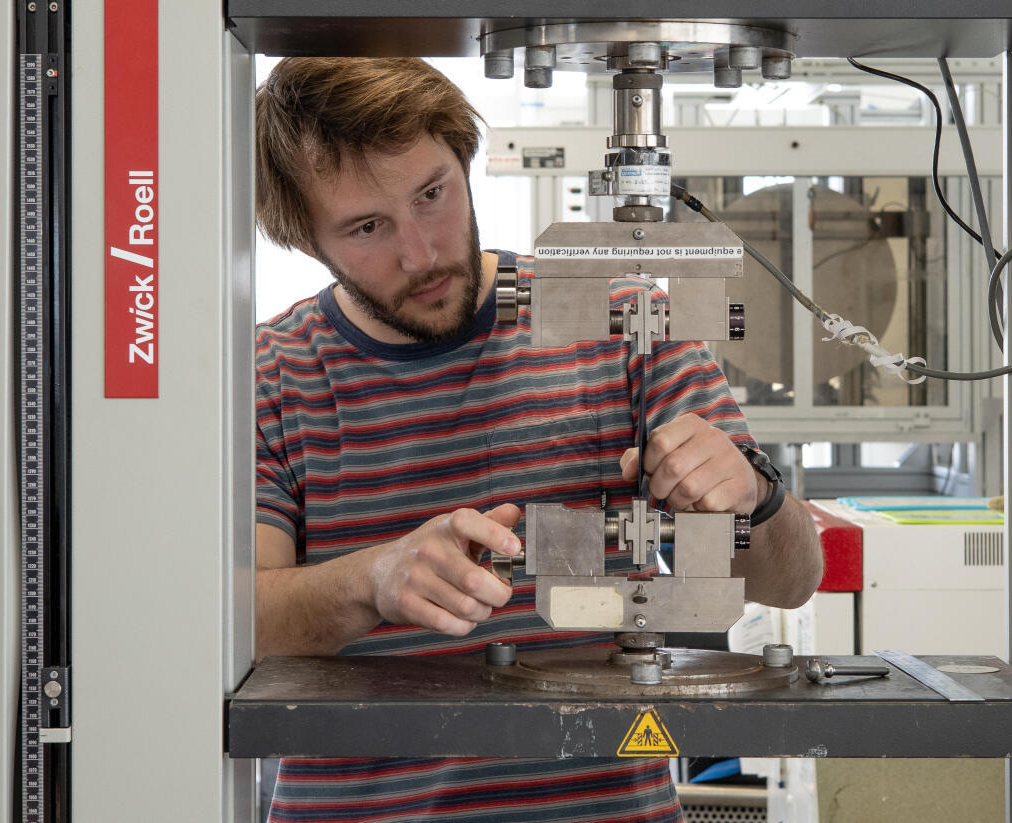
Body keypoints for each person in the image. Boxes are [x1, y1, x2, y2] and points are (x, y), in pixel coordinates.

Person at [251, 57, 825, 822]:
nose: (421, 254)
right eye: (366, 227)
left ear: (464, 158)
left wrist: (751, 493)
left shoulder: (621, 317)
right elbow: (230, 619)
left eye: (433, 194)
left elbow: (790, 579)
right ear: (303, 236)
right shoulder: (273, 373)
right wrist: (371, 580)